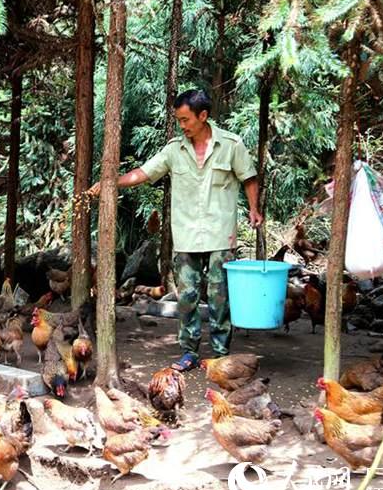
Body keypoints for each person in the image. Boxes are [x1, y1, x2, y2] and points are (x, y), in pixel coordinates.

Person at [88, 89, 262, 372]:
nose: (182, 125)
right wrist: (111, 181)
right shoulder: (174, 149)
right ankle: (189, 352)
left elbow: (249, 177)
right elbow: (144, 173)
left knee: (220, 298)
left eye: (185, 119)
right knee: (187, 298)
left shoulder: (231, 145)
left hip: (221, 235)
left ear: (203, 116)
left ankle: (219, 355)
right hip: (186, 236)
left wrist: (254, 209)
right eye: (178, 120)